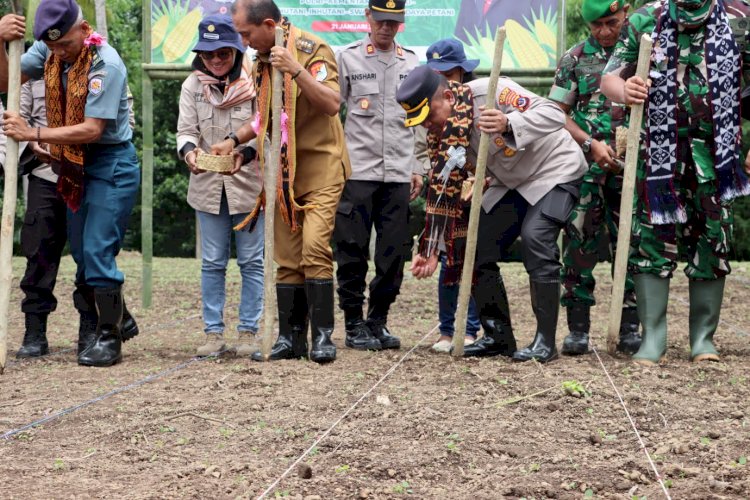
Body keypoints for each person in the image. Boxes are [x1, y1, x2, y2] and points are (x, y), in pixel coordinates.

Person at [401, 65, 587, 363]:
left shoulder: (493, 92)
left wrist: (508, 122)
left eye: (429, 116)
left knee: (536, 237)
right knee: (473, 246)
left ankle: (545, 343)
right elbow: (442, 191)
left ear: (449, 96)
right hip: (511, 182)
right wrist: (432, 247)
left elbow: (554, 115)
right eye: (419, 122)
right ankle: (498, 335)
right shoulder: (443, 136)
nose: (427, 127)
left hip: (555, 170)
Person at [600, 0, 750, 365]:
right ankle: (653, 339)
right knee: (650, 242)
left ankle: (703, 340)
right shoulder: (644, 19)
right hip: (658, 159)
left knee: (712, 241)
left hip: (717, 157)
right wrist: (627, 90)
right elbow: (609, 79)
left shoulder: (740, 17)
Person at [1, 0, 141, 367]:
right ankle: (120, 315)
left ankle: (108, 339)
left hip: (110, 164)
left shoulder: (104, 64)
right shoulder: (48, 51)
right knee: (81, 252)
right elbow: (6, 79)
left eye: (65, 45)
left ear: (84, 29)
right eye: (53, 47)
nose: (59, 53)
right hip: (73, 163)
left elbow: (93, 130)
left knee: (96, 251)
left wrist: (34, 132)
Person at [215, 0, 350, 363]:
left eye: (246, 33)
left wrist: (296, 72)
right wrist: (234, 142)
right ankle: (291, 339)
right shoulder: (259, 61)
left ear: (270, 25)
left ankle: (323, 337)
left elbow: (331, 103)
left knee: (313, 250)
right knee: (287, 258)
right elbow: (264, 118)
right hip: (284, 173)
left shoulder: (311, 50)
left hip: (321, 166)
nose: (243, 42)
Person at [14, 78, 139, 359]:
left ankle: (90, 328)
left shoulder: (101, 70)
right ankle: (34, 332)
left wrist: (82, 146)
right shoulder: (31, 73)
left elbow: (125, 121)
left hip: (88, 174)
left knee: (87, 252)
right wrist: (35, 143)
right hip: (45, 175)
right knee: (39, 252)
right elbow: (18, 119)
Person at [548, 0, 641, 356]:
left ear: (626, 13)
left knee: (631, 244)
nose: (604, 32)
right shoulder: (574, 58)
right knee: (577, 242)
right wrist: (589, 143)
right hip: (585, 167)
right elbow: (557, 114)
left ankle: (630, 324)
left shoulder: (642, 52)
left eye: (612, 23)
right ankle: (578, 328)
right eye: (596, 26)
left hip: (634, 167)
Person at [333, 0, 420, 352]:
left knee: (394, 251)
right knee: (351, 249)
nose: (386, 28)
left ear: (401, 22)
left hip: (399, 172)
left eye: (393, 22)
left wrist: (418, 166)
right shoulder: (348, 58)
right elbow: (330, 112)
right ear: (367, 17)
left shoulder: (412, 62)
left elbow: (418, 121)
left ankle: (377, 320)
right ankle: (353, 322)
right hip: (357, 172)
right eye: (381, 20)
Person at [177, 14, 264, 358]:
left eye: (224, 54)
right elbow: (185, 131)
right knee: (212, 261)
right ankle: (213, 334)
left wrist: (243, 152)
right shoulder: (191, 86)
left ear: (237, 52)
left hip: (248, 185)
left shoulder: (257, 82)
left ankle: (249, 331)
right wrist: (189, 154)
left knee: (252, 261)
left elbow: (268, 128)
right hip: (206, 186)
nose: (215, 61)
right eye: (209, 54)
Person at [418, 38, 482, 353]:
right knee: (447, 256)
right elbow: (431, 159)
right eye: (436, 74)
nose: (442, 80)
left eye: (447, 73)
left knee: (469, 256)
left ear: (460, 72)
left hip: (480, 191)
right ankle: (448, 329)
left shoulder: (477, 102)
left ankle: (469, 328)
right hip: (446, 194)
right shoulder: (430, 113)